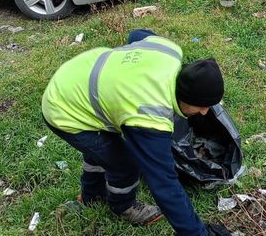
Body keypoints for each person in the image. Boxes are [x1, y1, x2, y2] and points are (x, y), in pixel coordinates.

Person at [41, 29, 231, 236]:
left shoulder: (169, 51)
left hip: (79, 71)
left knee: (104, 150)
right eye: (201, 106)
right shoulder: (149, 116)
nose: (204, 112)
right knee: (125, 163)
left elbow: (136, 35)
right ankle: (123, 206)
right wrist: (197, 233)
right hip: (63, 107)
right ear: (184, 97)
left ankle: (93, 197)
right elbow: (165, 184)